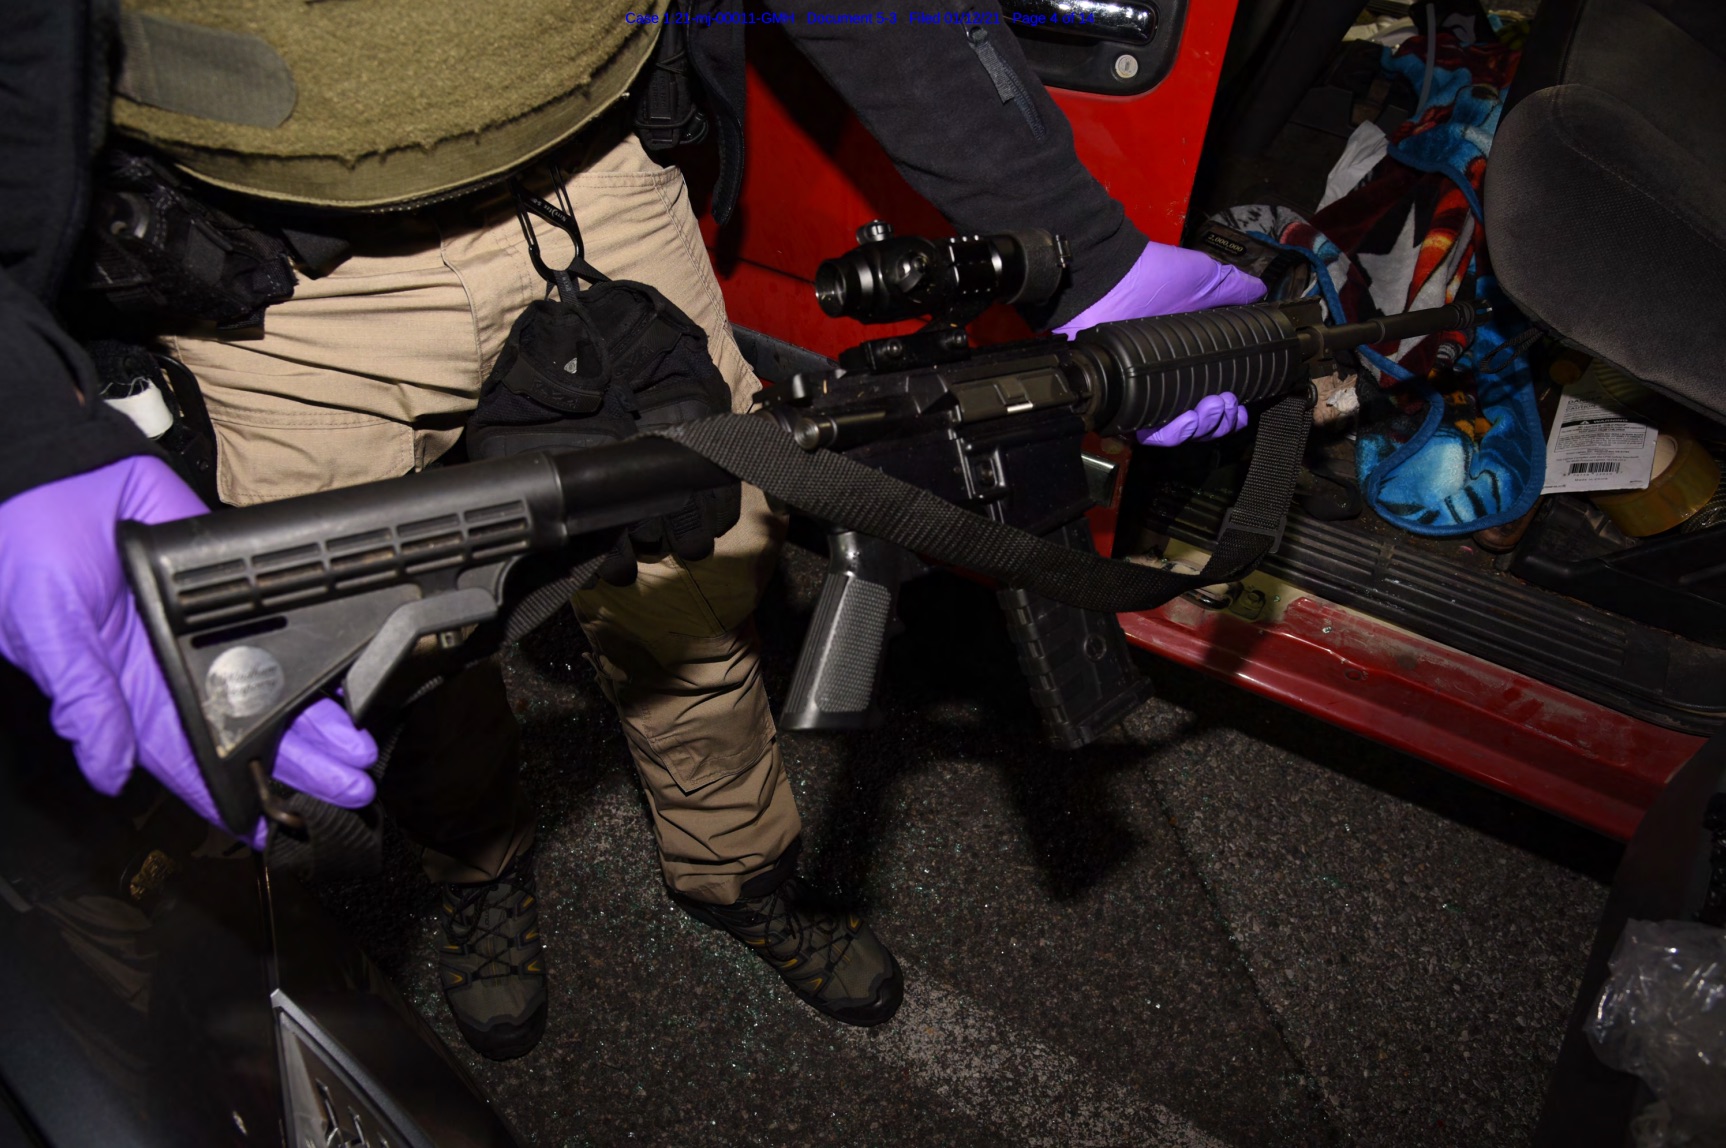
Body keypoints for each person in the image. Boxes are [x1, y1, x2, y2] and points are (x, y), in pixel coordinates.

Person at [0, 0, 1262, 1061]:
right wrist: (16, 422)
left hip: (601, 187)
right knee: (394, 648)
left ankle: (740, 873)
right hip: (272, 279)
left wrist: (1087, 249)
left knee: (703, 583)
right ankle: (476, 868)